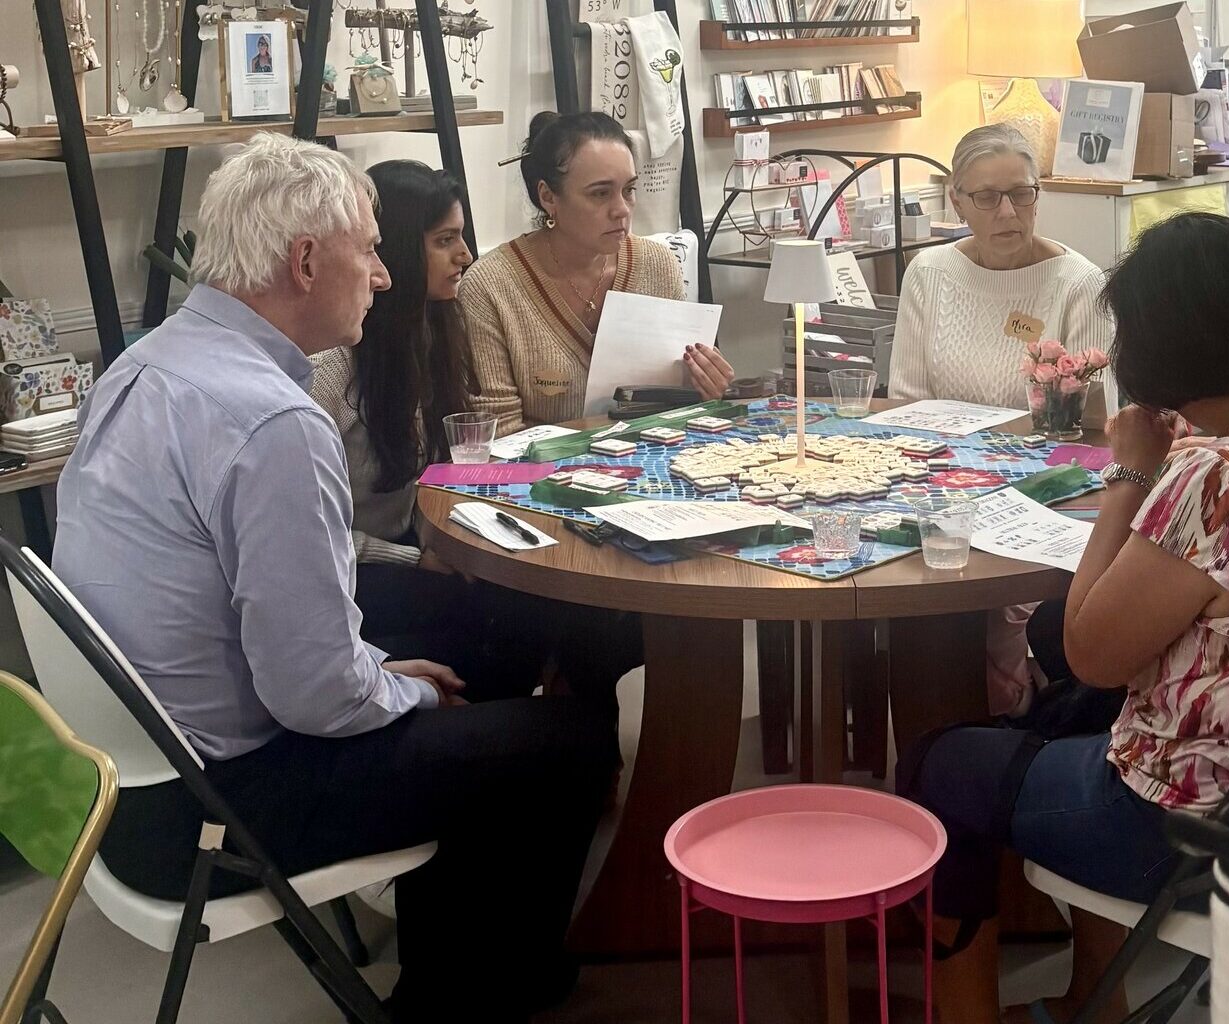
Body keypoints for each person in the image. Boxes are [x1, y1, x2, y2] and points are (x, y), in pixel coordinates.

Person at [51, 134, 613, 1023]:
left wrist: (385, 675)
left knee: (486, 625)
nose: (383, 277)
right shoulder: (273, 420)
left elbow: (281, 613)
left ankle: (458, 926)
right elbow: (313, 696)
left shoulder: (147, 361)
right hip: (216, 800)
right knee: (572, 737)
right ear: (306, 261)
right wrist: (407, 695)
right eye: (369, 251)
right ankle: (462, 997)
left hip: (119, 772)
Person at [900, 214, 1229, 1024]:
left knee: (944, 766)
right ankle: (1091, 997)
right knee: (1074, 717)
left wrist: (1129, 471)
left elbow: (1089, 650)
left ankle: (983, 1011)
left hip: (1203, 826)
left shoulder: (1220, 477)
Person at [310, 158, 640, 702]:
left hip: (422, 539)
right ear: (390, 250)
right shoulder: (334, 366)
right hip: (354, 568)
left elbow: (449, 461)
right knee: (518, 608)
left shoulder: (436, 330)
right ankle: (526, 739)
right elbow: (313, 538)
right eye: (445, 240)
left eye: (461, 236)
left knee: (566, 606)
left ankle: (572, 747)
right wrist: (416, 557)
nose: (465, 255)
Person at [461, 111, 735, 437]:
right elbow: (497, 435)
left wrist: (704, 390)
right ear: (548, 197)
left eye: (629, 190)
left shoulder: (657, 265)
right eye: (600, 193)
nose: (622, 209)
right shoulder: (490, 286)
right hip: (541, 482)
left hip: (651, 468)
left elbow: (678, 413)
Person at [890, 123, 1113, 408]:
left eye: (1020, 194)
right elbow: (907, 406)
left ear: (1037, 195)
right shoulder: (928, 273)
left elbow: (1093, 424)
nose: (1007, 212)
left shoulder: (1080, 284)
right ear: (957, 203)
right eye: (987, 197)